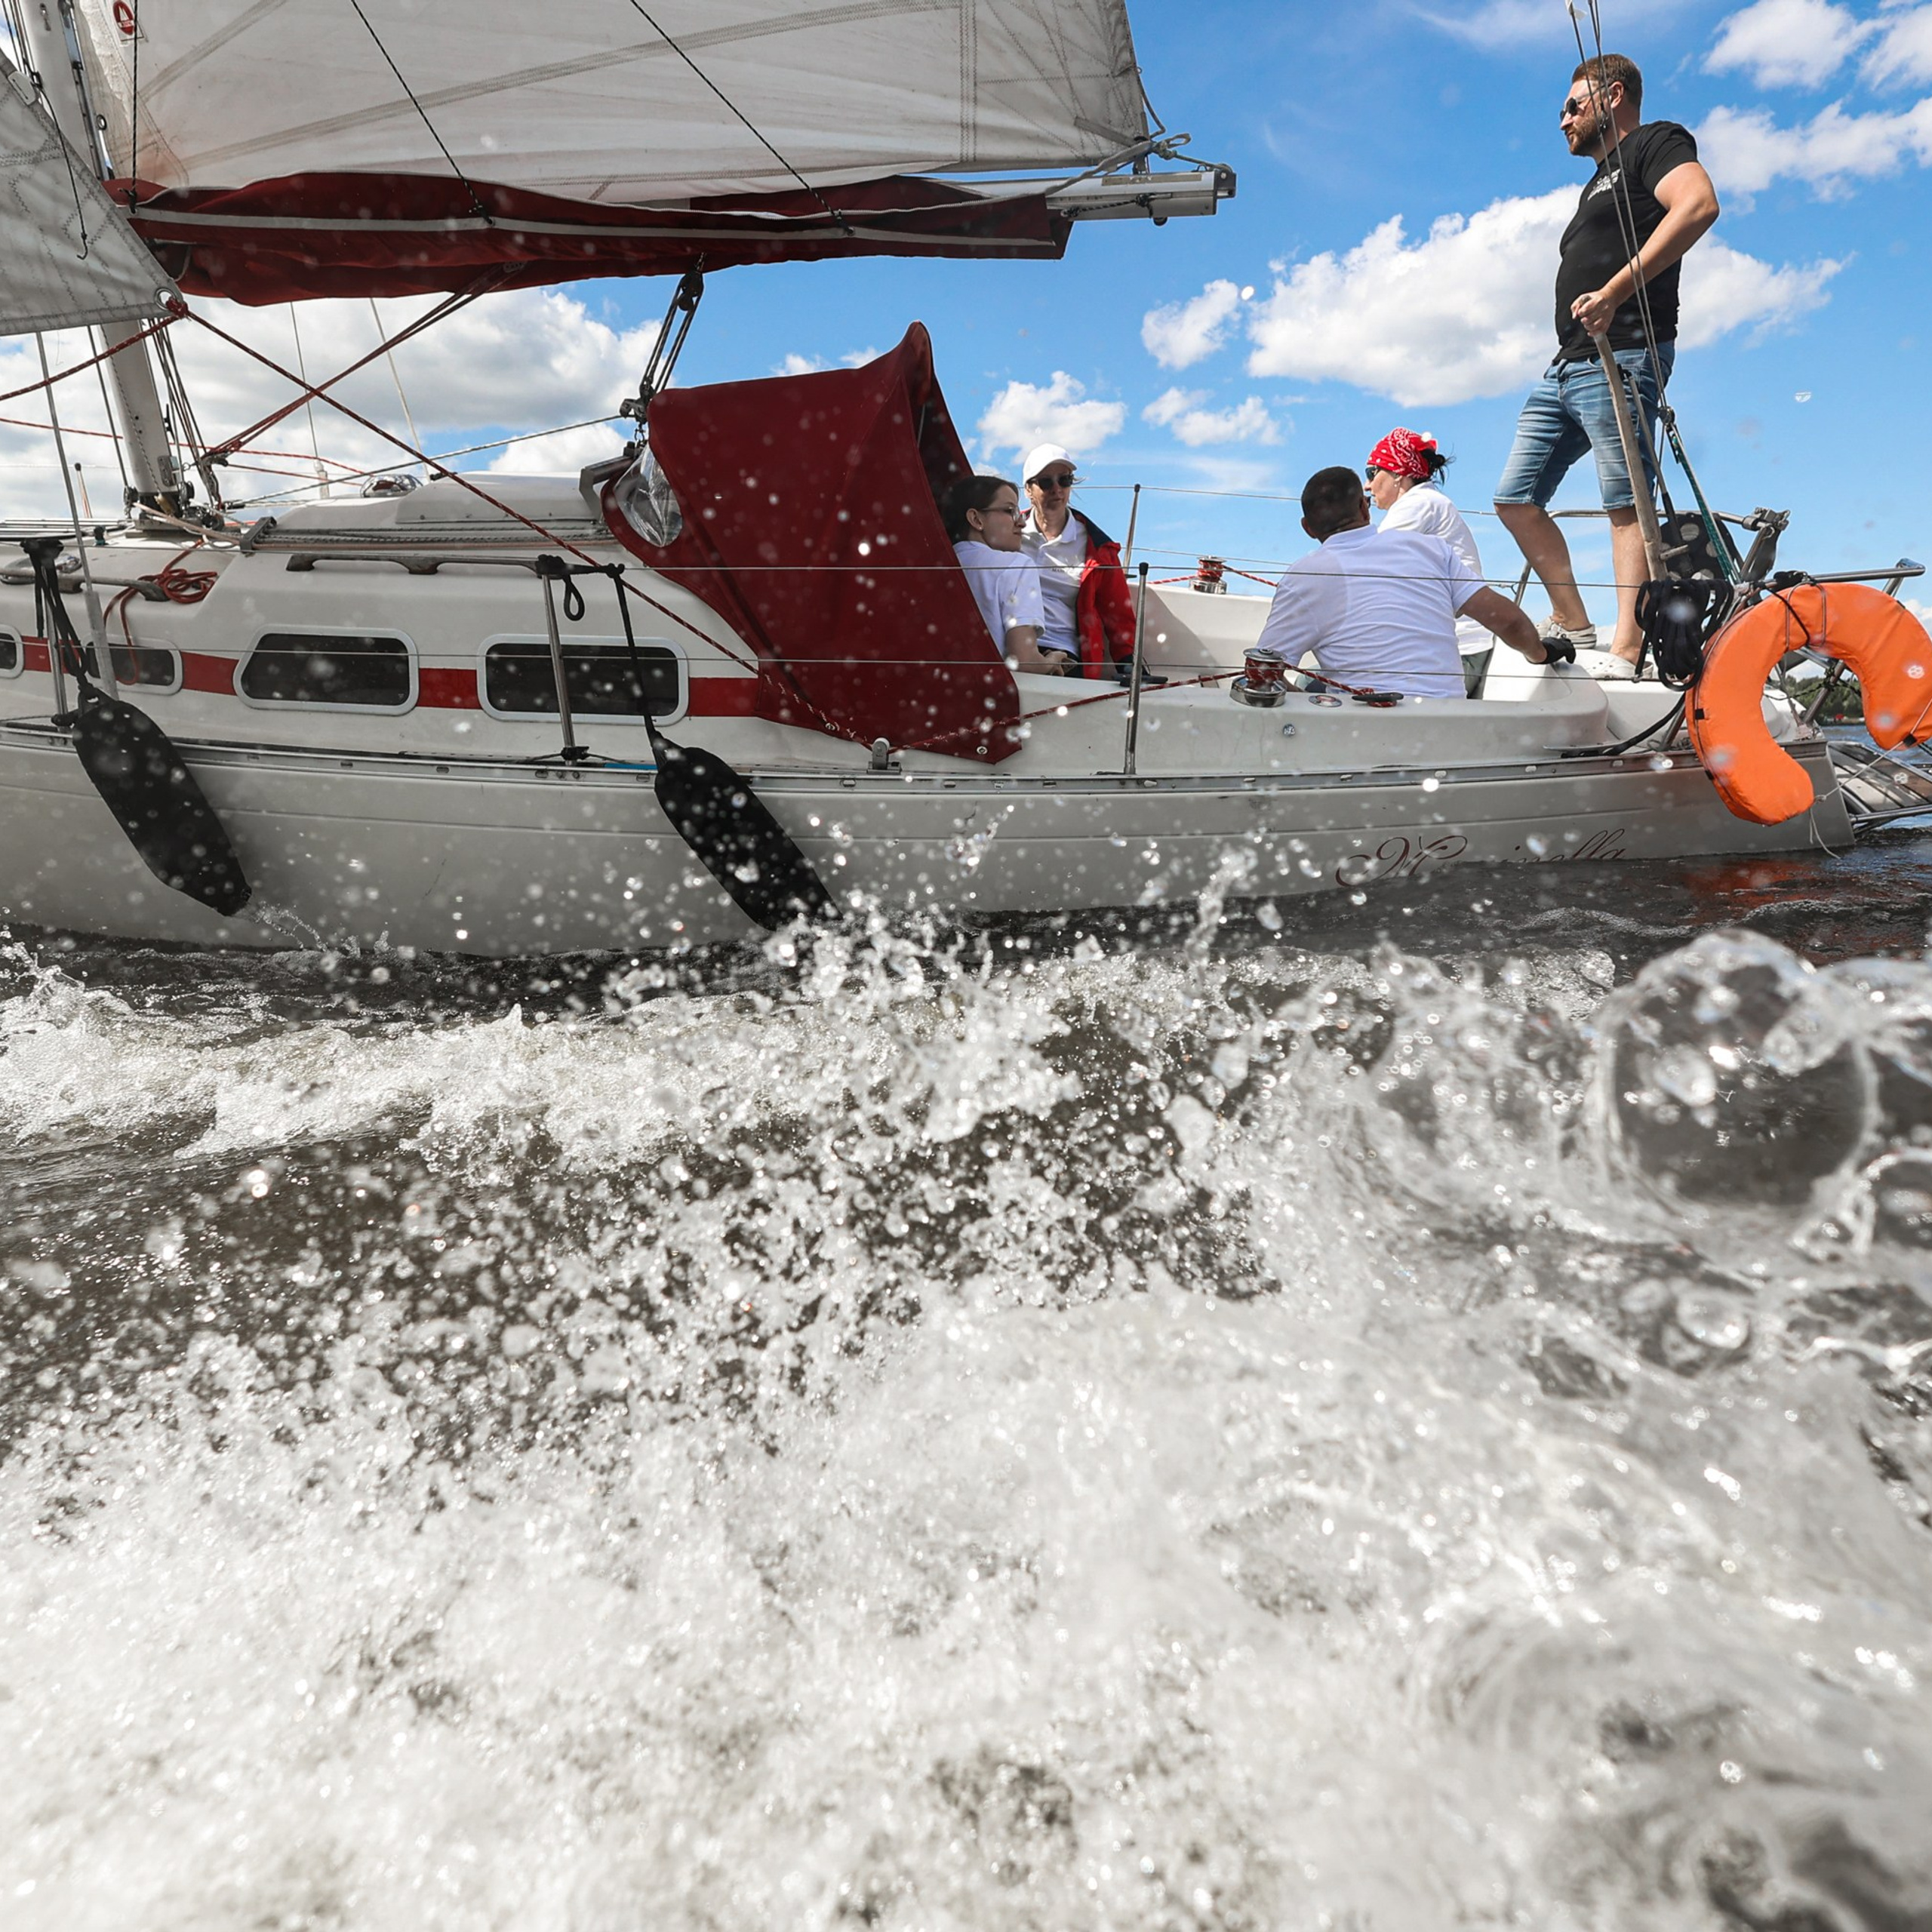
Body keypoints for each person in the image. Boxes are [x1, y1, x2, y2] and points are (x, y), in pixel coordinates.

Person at [1493, 51, 1719, 678]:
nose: (1562, 120)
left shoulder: (1655, 143)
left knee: (1626, 502)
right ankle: (1574, 619)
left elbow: (1698, 205)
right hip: (1566, 364)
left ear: (1612, 96)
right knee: (1514, 498)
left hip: (1621, 352)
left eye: (1572, 106)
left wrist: (1616, 291)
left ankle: (1625, 650)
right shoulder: (1595, 182)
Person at [1258, 466, 1552, 698]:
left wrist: (1312, 711)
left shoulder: (1304, 576)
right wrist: (1541, 654)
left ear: (1307, 528)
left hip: (1359, 735)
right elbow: (1507, 621)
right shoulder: (1430, 549)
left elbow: (1261, 673)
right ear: (1364, 508)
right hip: (1453, 727)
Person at [1366, 427, 1494, 694]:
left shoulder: (1418, 504)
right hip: (1460, 650)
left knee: (1314, 685)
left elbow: (1366, 568)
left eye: (1372, 472)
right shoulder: (1429, 501)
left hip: (1456, 655)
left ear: (1398, 473)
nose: (1367, 485)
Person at [1017, 442, 1138, 681]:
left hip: (1066, 655)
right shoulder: (1008, 532)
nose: (1057, 489)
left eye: (1065, 480)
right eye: (1045, 482)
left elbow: (1117, 611)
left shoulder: (1098, 547)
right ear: (1029, 490)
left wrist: (1128, 663)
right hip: (1012, 646)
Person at [942, 475, 1069, 675]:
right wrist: (1052, 660)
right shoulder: (1017, 566)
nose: (1021, 523)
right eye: (1010, 511)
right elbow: (1025, 661)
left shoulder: (934, 566)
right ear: (976, 519)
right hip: (988, 694)